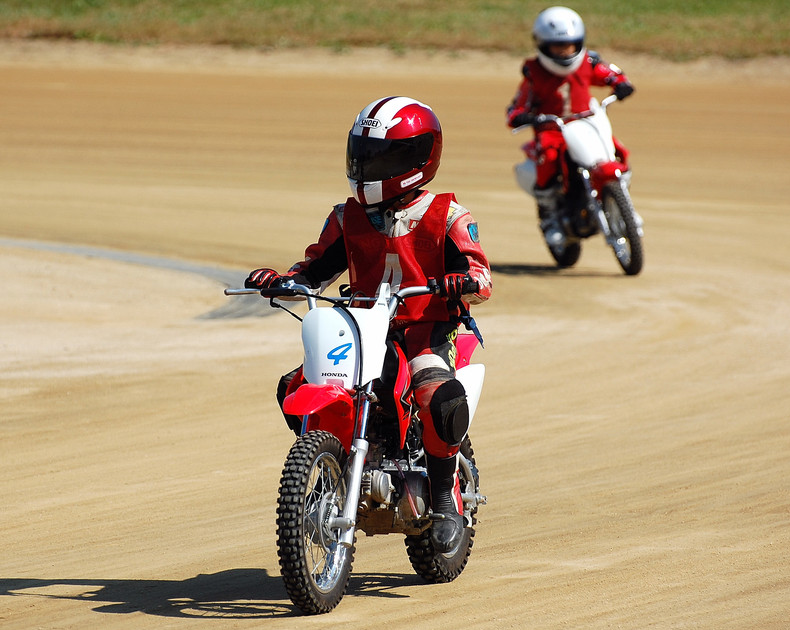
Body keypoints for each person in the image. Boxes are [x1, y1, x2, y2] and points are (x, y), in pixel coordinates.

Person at [244, 96, 492, 553]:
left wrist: (460, 282)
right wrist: (287, 281)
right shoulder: (348, 218)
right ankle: (337, 460)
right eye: (361, 155)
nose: (365, 167)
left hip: (427, 330)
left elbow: (481, 279)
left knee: (435, 396)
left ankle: (443, 502)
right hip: (361, 330)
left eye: (378, 158)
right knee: (294, 386)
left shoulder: (449, 217)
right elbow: (316, 269)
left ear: (418, 157)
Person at [506, 6, 635, 248]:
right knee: (548, 155)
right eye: (557, 46)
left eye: (570, 45)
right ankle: (550, 214)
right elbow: (517, 107)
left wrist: (621, 84)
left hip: (588, 121)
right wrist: (525, 117)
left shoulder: (587, 62)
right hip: (553, 130)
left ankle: (620, 191)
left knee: (616, 147)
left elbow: (610, 74)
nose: (565, 51)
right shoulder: (535, 73)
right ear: (543, 45)